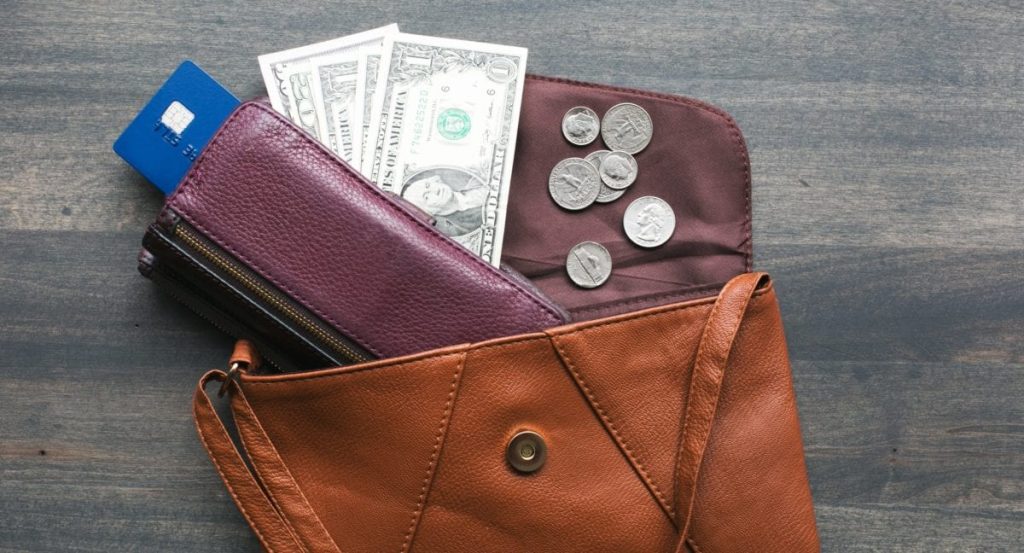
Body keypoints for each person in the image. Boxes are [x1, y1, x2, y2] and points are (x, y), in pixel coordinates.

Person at [401, 174, 487, 237]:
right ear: (428, 211)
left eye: (428, 185)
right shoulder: (460, 228)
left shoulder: (475, 180)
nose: (435, 190)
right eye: (427, 197)